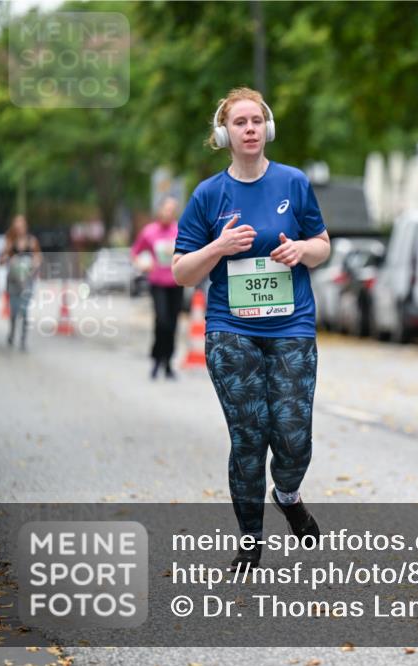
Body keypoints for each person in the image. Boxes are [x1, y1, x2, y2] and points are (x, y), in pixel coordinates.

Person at [171, 87, 331, 569]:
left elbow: (323, 244)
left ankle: (287, 493)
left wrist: (302, 251)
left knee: (292, 433)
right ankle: (250, 535)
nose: (249, 129)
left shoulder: (293, 183)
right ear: (225, 134)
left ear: (268, 128)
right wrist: (218, 247)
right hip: (230, 329)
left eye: (256, 120)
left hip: (292, 326)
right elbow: (182, 271)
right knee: (249, 435)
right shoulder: (209, 195)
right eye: (239, 122)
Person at [132, 196, 185, 379]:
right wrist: (142, 264)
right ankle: (156, 359)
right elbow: (135, 252)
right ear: (159, 210)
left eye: (172, 210)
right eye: (166, 209)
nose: (168, 213)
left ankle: (168, 363)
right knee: (161, 320)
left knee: (172, 324)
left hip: (177, 283)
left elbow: (189, 250)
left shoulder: (179, 230)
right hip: (158, 284)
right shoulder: (149, 232)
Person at [0, 214, 42, 351]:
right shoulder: (10, 242)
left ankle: (23, 340)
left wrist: (34, 264)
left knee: (24, 310)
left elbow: (38, 257)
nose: (19, 228)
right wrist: (7, 258)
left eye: (21, 225)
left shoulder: (32, 241)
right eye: (17, 225)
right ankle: (11, 333)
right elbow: (0, 260)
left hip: (27, 281)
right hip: (13, 281)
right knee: (14, 311)